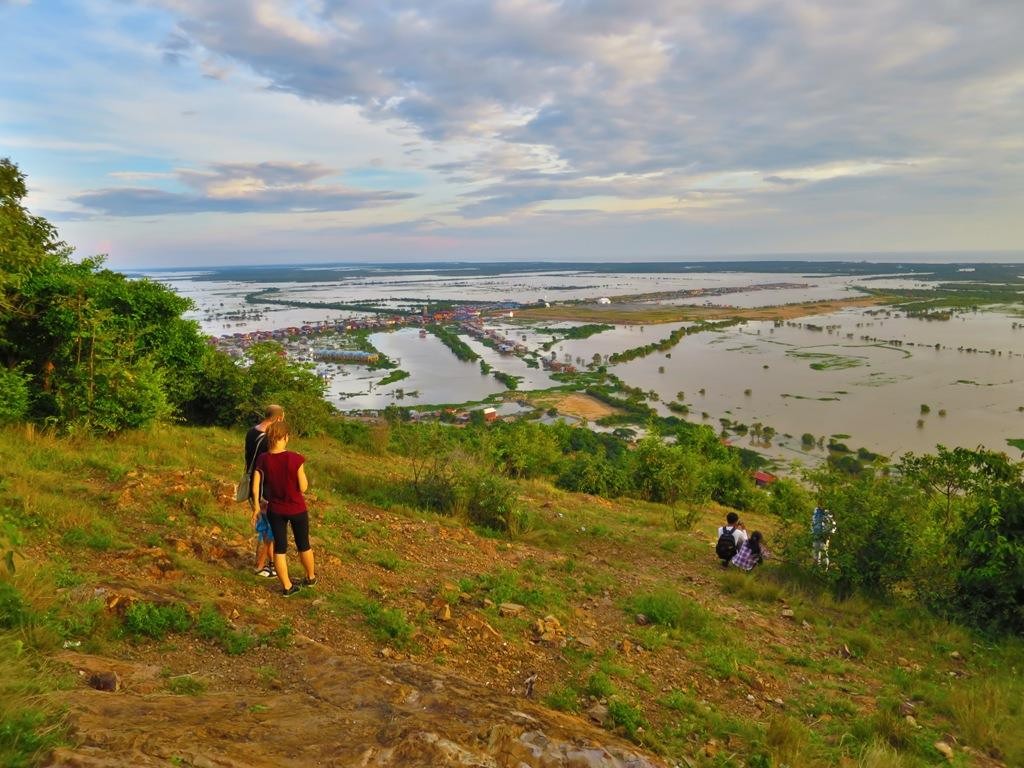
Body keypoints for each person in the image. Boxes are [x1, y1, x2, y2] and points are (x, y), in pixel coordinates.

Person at [252, 420, 315, 596]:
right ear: (286, 437)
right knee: (303, 545)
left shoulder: (263, 459)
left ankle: (287, 587)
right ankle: (310, 577)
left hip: (276, 511)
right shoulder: (295, 458)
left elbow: (256, 485)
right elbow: (303, 488)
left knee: (280, 547)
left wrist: (257, 507)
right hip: (297, 508)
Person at [245, 405, 284, 577]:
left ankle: (270, 565)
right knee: (269, 529)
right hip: (264, 488)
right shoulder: (269, 439)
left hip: (252, 482)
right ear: (278, 418)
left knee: (265, 527)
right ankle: (261, 566)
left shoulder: (251, 432)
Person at [811, 504, 836, 570]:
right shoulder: (816, 511)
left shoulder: (827, 513)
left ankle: (825, 569)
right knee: (815, 552)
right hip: (816, 535)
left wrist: (830, 533)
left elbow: (833, 524)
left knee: (824, 551)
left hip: (824, 537)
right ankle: (816, 568)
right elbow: (813, 522)